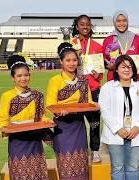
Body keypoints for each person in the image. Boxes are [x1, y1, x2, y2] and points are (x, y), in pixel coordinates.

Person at [46, 42, 98, 180]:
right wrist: (60, 111)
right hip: (62, 127)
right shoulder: (55, 81)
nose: (72, 63)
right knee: (66, 165)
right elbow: (50, 104)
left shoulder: (82, 80)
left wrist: (95, 105)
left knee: (81, 164)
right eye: (68, 60)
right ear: (61, 62)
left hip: (78, 126)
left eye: (74, 60)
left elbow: (88, 101)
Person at [0, 55, 52, 180]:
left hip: (35, 141)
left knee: (38, 173)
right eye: (19, 76)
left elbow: (41, 116)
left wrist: (47, 121)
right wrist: (7, 129)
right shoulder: (7, 96)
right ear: (13, 78)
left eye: (26, 75)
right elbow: (2, 119)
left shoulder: (37, 95)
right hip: (18, 142)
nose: (23, 78)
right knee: (20, 174)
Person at [99, 55, 139, 180]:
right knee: (117, 168)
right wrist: (118, 129)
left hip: (135, 132)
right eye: (123, 66)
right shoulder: (107, 87)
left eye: (129, 66)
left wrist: (138, 126)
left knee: (133, 167)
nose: (126, 69)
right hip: (115, 134)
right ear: (116, 69)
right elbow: (104, 110)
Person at [71, 14, 103, 162]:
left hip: (93, 88)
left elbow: (101, 72)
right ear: (77, 26)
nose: (85, 27)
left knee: (94, 122)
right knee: (76, 123)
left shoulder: (97, 46)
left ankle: (95, 150)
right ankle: (79, 151)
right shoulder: (71, 44)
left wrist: (97, 75)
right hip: (75, 89)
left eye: (87, 24)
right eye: (82, 24)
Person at [103, 10, 139, 81]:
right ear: (114, 22)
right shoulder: (108, 40)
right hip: (113, 79)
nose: (121, 23)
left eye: (124, 20)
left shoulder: (136, 38)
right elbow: (103, 61)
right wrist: (109, 67)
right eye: (118, 21)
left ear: (127, 21)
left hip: (132, 79)